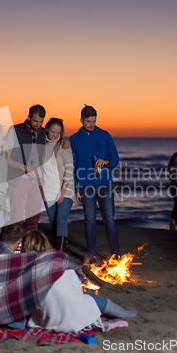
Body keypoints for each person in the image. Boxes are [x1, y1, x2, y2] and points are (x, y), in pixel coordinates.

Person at [0, 223, 79, 328]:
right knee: (25, 313)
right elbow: (41, 260)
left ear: (1, 237)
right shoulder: (12, 259)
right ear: (20, 240)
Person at [21, 231, 137, 332]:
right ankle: (125, 314)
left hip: (49, 321)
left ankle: (99, 323)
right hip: (75, 315)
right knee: (88, 298)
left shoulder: (25, 272)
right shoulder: (60, 261)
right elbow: (78, 291)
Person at [70, 105, 120, 265]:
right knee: (89, 220)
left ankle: (116, 255)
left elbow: (116, 158)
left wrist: (106, 161)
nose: (91, 124)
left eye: (94, 121)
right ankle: (91, 254)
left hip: (105, 183)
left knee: (109, 220)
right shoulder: (74, 139)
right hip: (86, 185)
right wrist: (76, 188)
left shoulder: (105, 135)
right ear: (81, 120)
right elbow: (72, 166)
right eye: (88, 121)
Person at [5, 105, 47, 232]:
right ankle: (16, 249)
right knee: (16, 219)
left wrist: (65, 139)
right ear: (28, 117)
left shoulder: (44, 132)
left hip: (38, 180)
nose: (38, 124)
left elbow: (57, 139)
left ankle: (30, 248)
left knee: (33, 219)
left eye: (41, 122)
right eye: (35, 121)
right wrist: (22, 167)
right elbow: (5, 157)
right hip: (18, 179)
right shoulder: (14, 130)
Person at [42, 118, 76, 251]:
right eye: (52, 132)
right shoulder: (41, 145)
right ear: (46, 130)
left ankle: (59, 257)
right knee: (54, 225)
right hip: (48, 190)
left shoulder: (64, 146)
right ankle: (56, 254)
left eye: (58, 133)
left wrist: (62, 191)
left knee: (61, 222)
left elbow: (70, 168)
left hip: (65, 189)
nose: (55, 135)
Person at [168, 152, 177, 230]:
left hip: (175, 187)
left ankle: (175, 220)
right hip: (175, 187)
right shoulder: (173, 166)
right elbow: (174, 177)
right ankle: (174, 220)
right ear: (174, 158)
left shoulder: (175, 166)